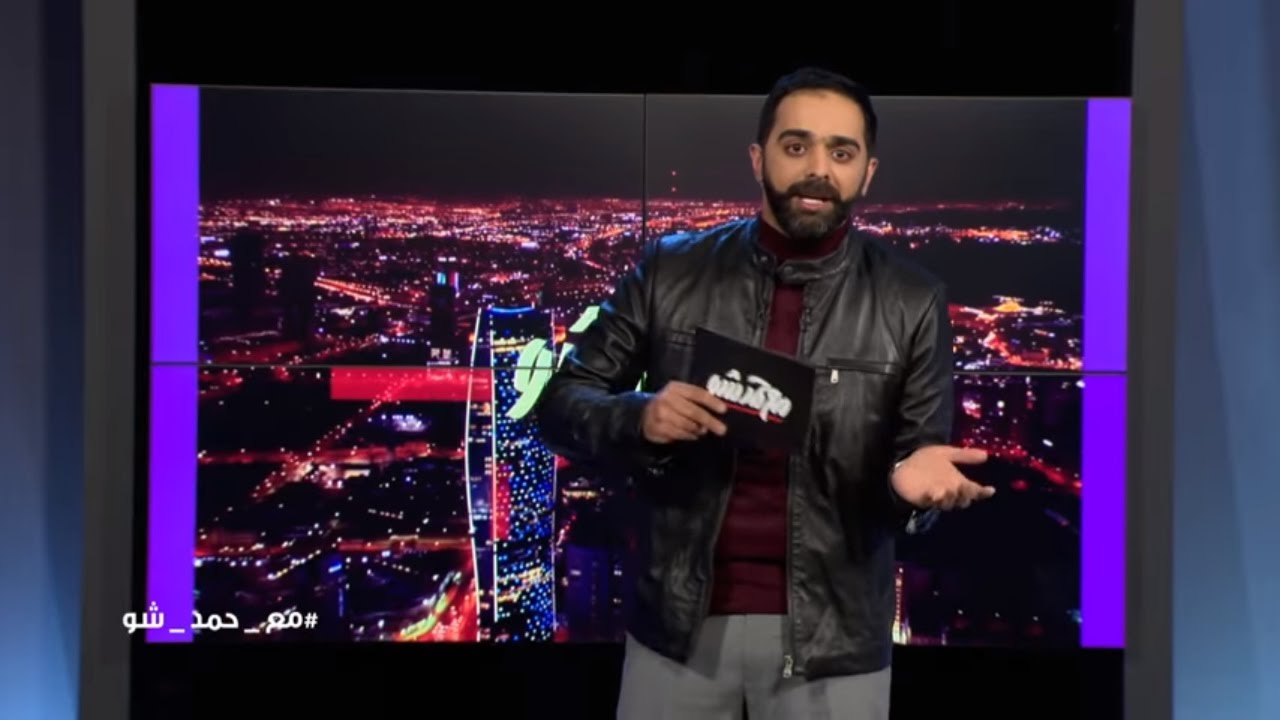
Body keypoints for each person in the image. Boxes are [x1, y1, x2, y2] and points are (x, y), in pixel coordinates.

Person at [532, 66, 995, 720]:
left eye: (842, 152)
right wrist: (640, 418)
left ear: (867, 173)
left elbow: (917, 470)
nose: (818, 169)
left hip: (836, 643)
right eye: (796, 145)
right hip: (676, 630)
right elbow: (560, 405)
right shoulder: (670, 269)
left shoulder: (912, 300)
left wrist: (907, 488)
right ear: (758, 158)